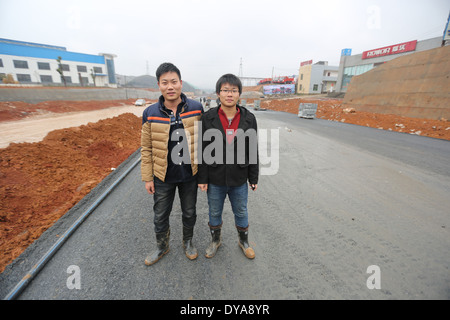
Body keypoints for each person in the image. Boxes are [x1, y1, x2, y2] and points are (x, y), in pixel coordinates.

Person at [141, 62, 203, 265]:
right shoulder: (150, 113)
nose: (170, 87)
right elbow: (147, 148)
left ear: (181, 83)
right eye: (165, 82)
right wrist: (147, 177)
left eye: (174, 82)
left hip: (189, 175)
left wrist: (204, 175)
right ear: (158, 85)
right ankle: (162, 246)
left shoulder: (196, 109)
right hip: (162, 176)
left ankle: (188, 243)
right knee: (160, 215)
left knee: (190, 211)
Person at [198, 73, 259, 259]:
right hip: (215, 178)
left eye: (233, 90)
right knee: (214, 211)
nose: (229, 94)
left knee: (241, 210)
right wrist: (202, 178)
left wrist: (253, 177)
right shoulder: (207, 118)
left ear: (239, 94)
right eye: (225, 90)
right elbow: (202, 149)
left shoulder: (249, 118)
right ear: (218, 93)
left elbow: (253, 149)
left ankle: (244, 241)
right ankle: (215, 240)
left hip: (239, 178)